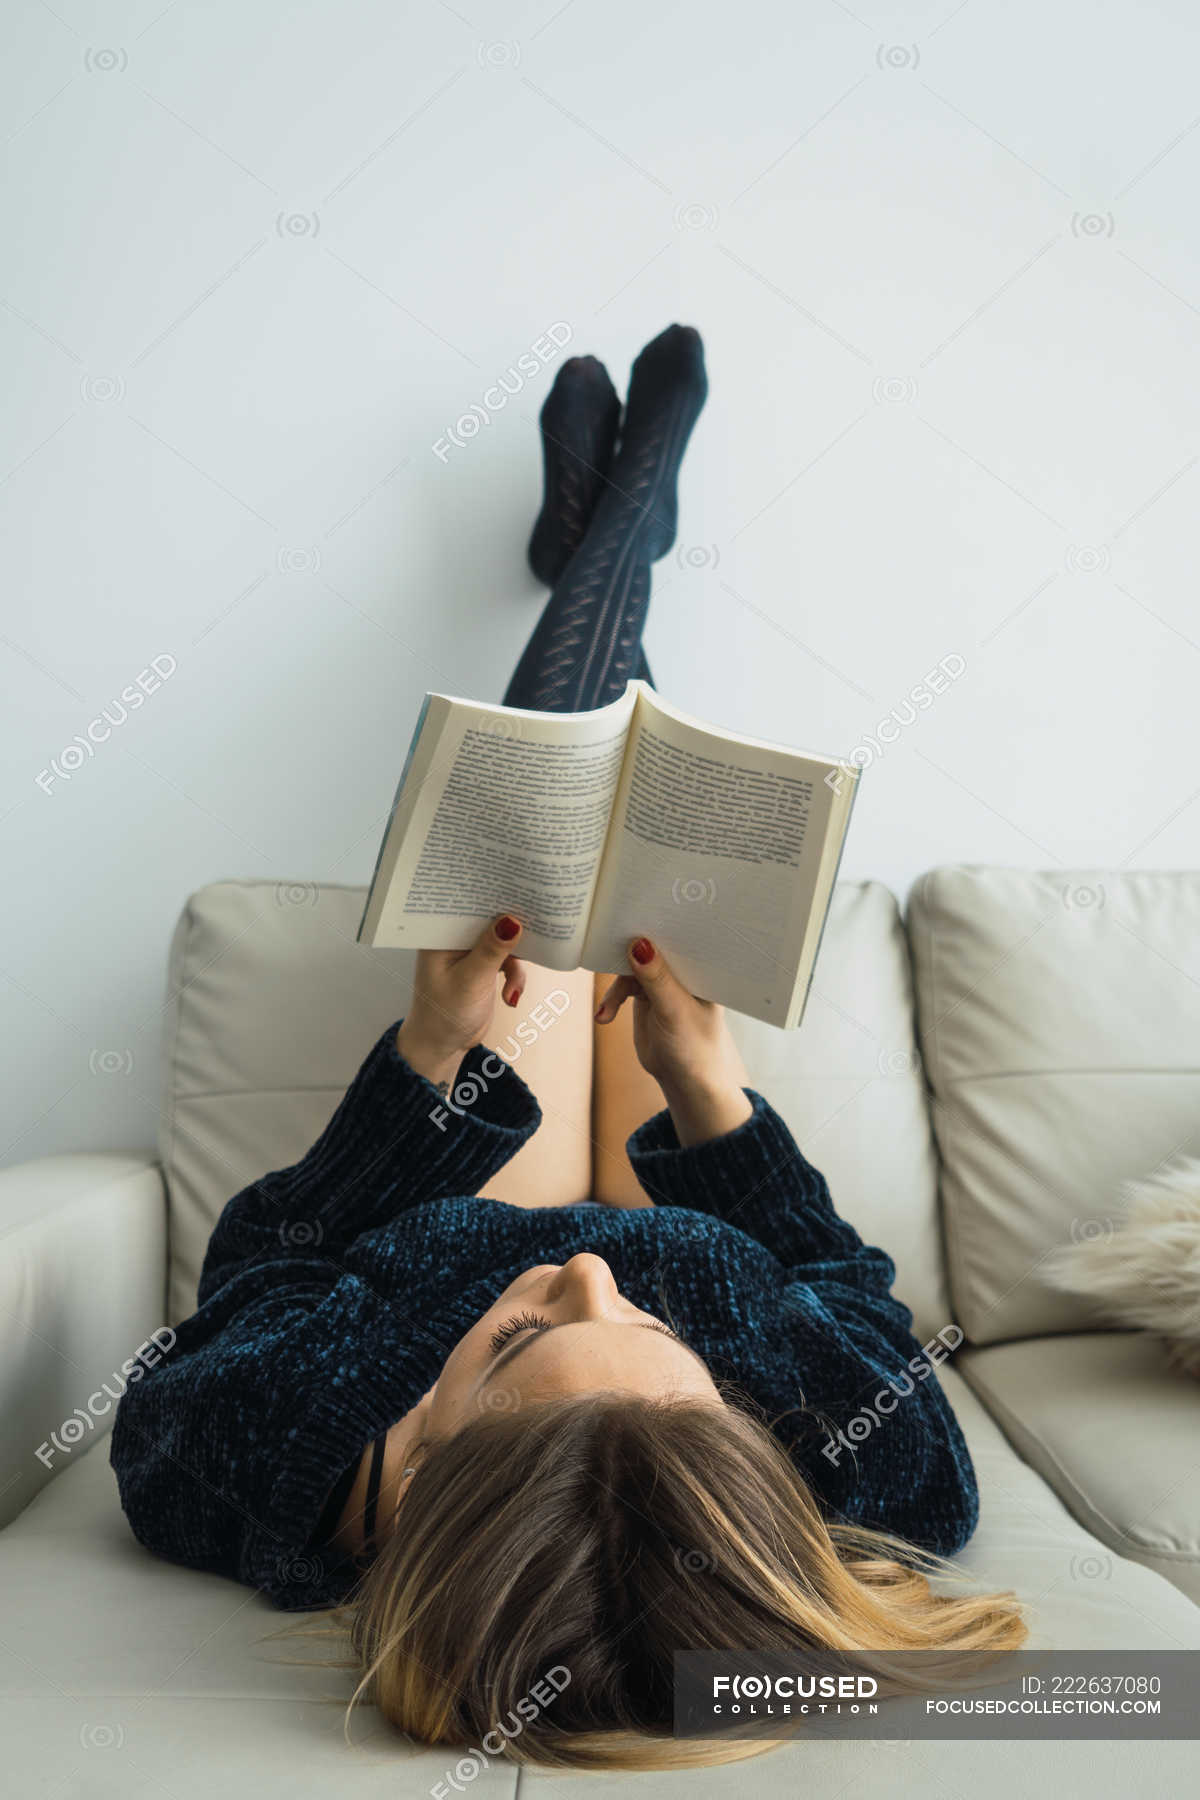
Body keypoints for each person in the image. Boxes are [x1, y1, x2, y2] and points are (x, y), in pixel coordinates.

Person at [110, 326, 1025, 1770]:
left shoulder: (240, 1460)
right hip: (685, 1191)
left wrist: (427, 1055)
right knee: (634, 879)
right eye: (663, 1348)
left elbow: (264, 1267)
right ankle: (616, 541)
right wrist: (710, 1101)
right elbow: (843, 1288)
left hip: (462, 1192)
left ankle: (612, 535)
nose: (597, 1274)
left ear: (412, 1477)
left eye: (529, 1339)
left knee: (533, 867)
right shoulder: (883, 1469)